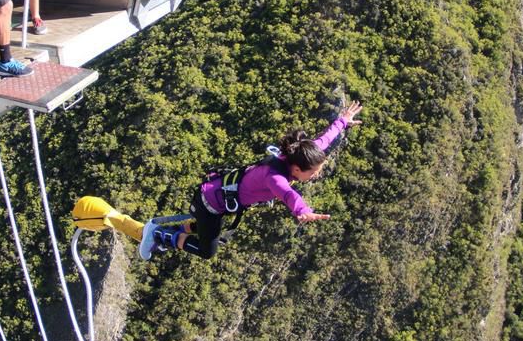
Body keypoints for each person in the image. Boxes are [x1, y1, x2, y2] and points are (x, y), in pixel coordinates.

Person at [141, 101, 364, 259]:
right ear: (297, 169)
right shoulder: (275, 177)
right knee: (207, 251)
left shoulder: (301, 154)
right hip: (210, 204)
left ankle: (174, 232)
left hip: (214, 195)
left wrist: (343, 121)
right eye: (313, 172)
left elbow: (324, 140)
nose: (316, 174)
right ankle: (161, 235)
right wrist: (302, 210)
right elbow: (288, 194)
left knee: (205, 228)